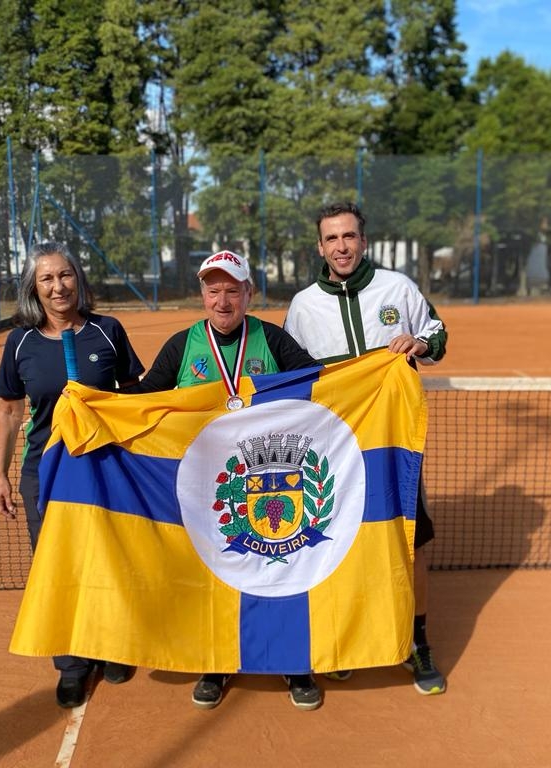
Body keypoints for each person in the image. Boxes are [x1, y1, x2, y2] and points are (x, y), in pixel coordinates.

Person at [123, 249, 322, 711]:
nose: (223, 301)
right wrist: (98, 401)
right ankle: (216, 662)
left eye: (233, 290)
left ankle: (292, 663)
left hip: (270, 481)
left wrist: (378, 371)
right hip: (206, 490)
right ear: (202, 295)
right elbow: (145, 398)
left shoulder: (272, 340)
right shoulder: (182, 345)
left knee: (281, 569)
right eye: (214, 291)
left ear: (249, 293)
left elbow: (322, 386)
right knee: (213, 573)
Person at [284, 201, 449, 696]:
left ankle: (416, 640)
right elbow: (292, 377)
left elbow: (438, 333)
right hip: (332, 450)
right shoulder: (303, 304)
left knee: (410, 539)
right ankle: (345, 637)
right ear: (320, 246)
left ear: (364, 240)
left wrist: (419, 345)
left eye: (349, 237)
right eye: (332, 239)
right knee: (338, 542)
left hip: (393, 443)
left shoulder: (397, 288)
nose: (341, 246)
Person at [0, 241, 145, 708]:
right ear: (33, 288)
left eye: (65, 275)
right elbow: (9, 412)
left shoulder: (108, 331)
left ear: (77, 279)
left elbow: (133, 398)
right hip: (46, 472)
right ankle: (72, 665)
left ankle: (113, 644)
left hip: (104, 469)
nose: (58, 286)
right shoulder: (19, 341)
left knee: (110, 557)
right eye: (47, 279)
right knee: (56, 567)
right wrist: (0, 475)